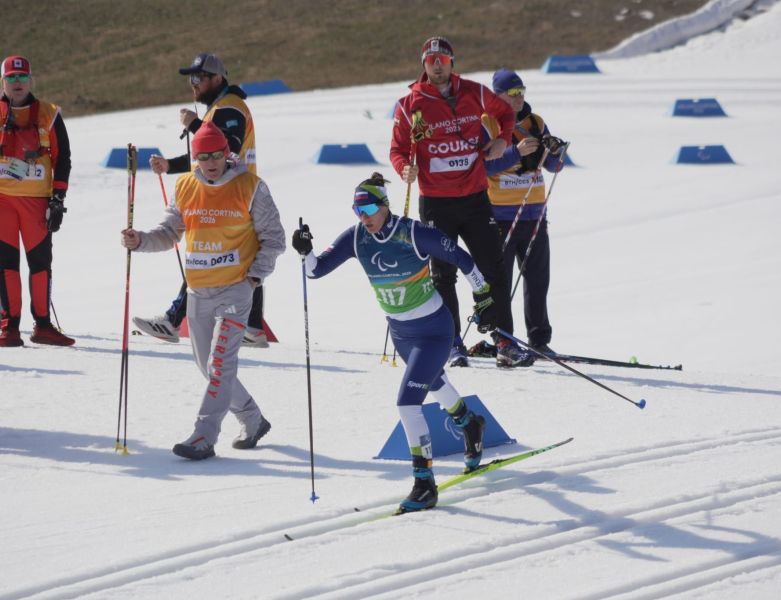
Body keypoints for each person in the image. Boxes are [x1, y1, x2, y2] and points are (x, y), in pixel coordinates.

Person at [291, 172, 498, 513]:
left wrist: (484, 296)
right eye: (357, 210)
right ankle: (468, 422)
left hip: (433, 330)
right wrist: (305, 251)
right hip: (401, 333)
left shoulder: (412, 233)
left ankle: (424, 483)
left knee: (407, 403)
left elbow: (461, 258)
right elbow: (315, 271)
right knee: (434, 382)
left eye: (369, 207)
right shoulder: (357, 238)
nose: (364, 216)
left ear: (385, 206)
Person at [120, 122, 285, 460]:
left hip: (236, 291)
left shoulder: (251, 186)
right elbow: (169, 233)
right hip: (198, 291)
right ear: (194, 158)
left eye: (216, 155)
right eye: (202, 156)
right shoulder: (185, 186)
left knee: (221, 364)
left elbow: (275, 240)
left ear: (227, 153)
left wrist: (253, 279)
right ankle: (253, 419)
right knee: (207, 366)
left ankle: (203, 436)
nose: (210, 162)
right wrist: (140, 241)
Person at [390, 36, 534, 368]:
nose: (436, 65)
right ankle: (451, 343)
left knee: (493, 267)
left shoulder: (474, 91)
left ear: (452, 62)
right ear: (424, 65)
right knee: (442, 274)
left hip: (474, 197)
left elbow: (505, 114)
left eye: (442, 59)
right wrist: (403, 169)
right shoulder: (409, 104)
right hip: (436, 203)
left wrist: (501, 139)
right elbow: (397, 150)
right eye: (430, 61)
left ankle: (503, 341)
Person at [133, 52, 269, 347]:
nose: (192, 85)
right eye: (190, 79)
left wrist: (195, 124)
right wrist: (171, 164)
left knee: (206, 255)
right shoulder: (220, 108)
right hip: (229, 190)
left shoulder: (230, 108)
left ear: (217, 78)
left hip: (231, 192)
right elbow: (207, 154)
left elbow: (224, 150)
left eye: (198, 78)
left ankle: (174, 320)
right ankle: (252, 326)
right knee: (229, 254)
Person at [482, 69, 567, 356]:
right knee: (500, 283)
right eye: (512, 94)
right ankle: (502, 339)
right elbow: (483, 167)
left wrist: (555, 153)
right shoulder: (486, 123)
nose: (519, 99)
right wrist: (515, 153)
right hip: (501, 217)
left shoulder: (536, 122)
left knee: (538, 281)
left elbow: (554, 167)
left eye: (522, 92)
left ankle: (540, 340)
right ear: (497, 96)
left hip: (533, 214)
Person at [0, 55, 74, 347]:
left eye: (22, 78)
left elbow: (63, 157)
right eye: (11, 78)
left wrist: (58, 198)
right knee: (6, 264)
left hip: (37, 202)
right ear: (3, 82)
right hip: (3, 201)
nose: (17, 84)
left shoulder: (49, 114)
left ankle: (42, 325)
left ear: (31, 81)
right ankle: (9, 327)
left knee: (40, 263)